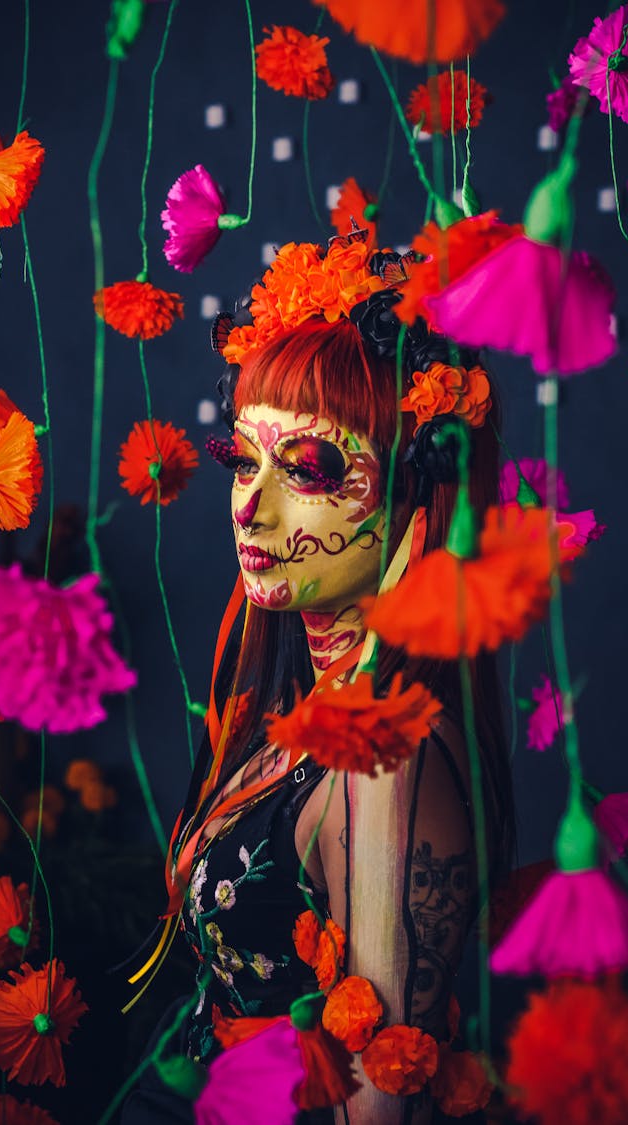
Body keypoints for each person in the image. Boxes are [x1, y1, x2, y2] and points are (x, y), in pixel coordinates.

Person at [122, 237, 515, 1124]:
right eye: (242, 460)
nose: (252, 505)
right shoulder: (299, 708)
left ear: (417, 500)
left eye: (307, 470)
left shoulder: (390, 760)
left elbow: (382, 1105)